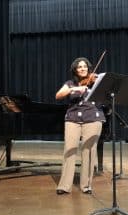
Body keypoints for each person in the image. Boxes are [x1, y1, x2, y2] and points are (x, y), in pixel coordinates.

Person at [56, 57, 105, 195]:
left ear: (89, 68)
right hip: (72, 118)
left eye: (85, 66)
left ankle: (86, 185)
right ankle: (64, 186)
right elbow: (58, 95)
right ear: (75, 70)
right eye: (79, 67)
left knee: (88, 151)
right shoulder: (70, 83)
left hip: (93, 118)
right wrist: (76, 89)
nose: (82, 69)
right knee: (69, 150)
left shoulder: (97, 82)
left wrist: (96, 82)